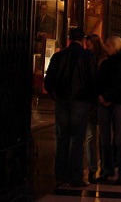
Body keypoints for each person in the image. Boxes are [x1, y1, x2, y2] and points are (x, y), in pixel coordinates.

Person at [44, 28, 98, 188]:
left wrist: (56, 95)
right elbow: (93, 80)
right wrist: (91, 101)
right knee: (77, 140)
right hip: (80, 102)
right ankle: (75, 177)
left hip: (62, 101)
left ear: (69, 39)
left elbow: (48, 82)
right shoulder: (87, 56)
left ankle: (60, 175)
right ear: (82, 39)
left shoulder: (58, 56)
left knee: (62, 139)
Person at [96, 36, 121, 185]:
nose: (107, 49)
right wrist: (101, 96)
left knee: (119, 139)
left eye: (109, 46)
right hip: (105, 102)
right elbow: (99, 81)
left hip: (119, 102)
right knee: (104, 138)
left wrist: (108, 97)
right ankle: (106, 169)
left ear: (117, 46)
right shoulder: (105, 63)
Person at [84, 34, 107, 183]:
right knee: (92, 136)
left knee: (98, 136)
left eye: (89, 45)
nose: (87, 48)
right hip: (92, 102)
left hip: (99, 101)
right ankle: (93, 167)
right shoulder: (88, 59)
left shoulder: (101, 61)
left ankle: (102, 166)